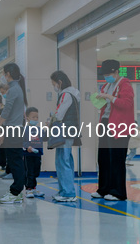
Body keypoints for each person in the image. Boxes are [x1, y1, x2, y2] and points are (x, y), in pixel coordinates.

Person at [93, 59, 134, 201]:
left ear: (116, 72)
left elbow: (127, 104)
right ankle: (103, 189)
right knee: (103, 158)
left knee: (116, 159)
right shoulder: (106, 85)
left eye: (108, 74)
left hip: (119, 127)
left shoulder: (125, 85)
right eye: (104, 74)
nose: (106, 76)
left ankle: (118, 192)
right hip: (105, 123)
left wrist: (109, 97)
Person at [49, 70, 81, 202]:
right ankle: (66, 191)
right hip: (71, 131)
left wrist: (50, 120)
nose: (54, 86)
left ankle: (67, 193)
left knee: (62, 161)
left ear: (60, 82)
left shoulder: (65, 94)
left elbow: (59, 115)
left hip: (64, 131)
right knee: (67, 160)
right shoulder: (74, 93)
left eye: (54, 83)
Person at [0, 63, 28, 204]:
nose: (3, 76)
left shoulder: (13, 89)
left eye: (4, 73)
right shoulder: (17, 88)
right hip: (15, 129)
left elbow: (7, 111)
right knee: (15, 160)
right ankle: (17, 191)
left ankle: (16, 191)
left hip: (13, 130)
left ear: (8, 73)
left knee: (15, 161)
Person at [23, 107, 44, 198]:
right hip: (29, 155)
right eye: (33, 117)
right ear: (27, 118)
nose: (35, 119)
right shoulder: (25, 130)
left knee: (36, 172)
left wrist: (47, 129)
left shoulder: (39, 129)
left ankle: (34, 188)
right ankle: (29, 189)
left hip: (37, 154)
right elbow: (22, 141)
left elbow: (44, 138)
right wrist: (27, 147)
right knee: (29, 172)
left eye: (37, 117)